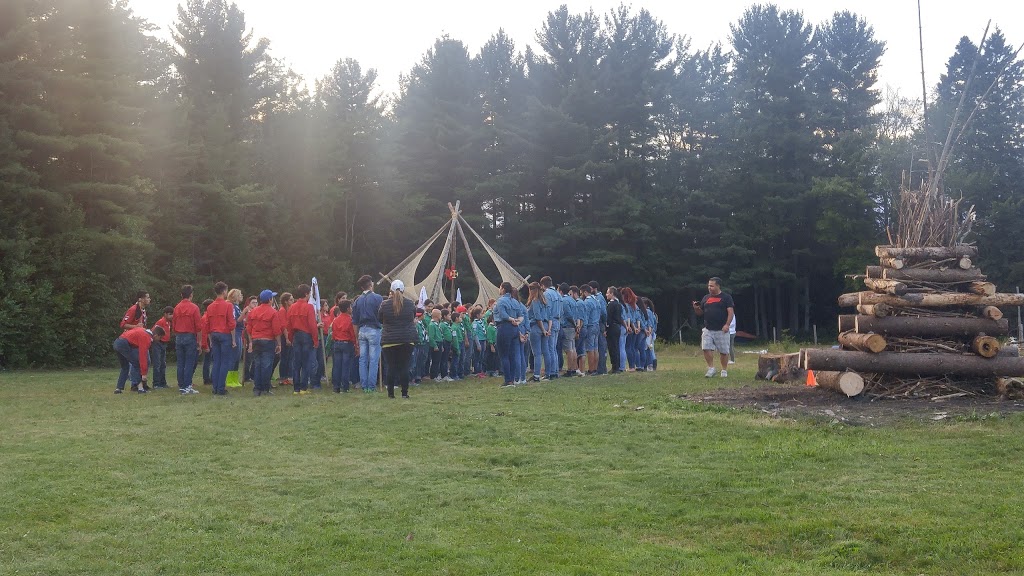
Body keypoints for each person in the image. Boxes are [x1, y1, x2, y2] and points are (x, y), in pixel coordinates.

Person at [378, 280, 417, 399]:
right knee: (404, 367)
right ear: (403, 290)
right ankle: (404, 393)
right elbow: (413, 316)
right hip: (406, 339)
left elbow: (380, 319)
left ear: (391, 291)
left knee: (391, 367)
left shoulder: (384, 304)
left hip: (389, 339)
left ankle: (390, 394)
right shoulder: (410, 304)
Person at [693, 277, 735, 377]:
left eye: (712, 286)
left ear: (718, 286)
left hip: (721, 329)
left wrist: (727, 325)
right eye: (708, 285)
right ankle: (711, 368)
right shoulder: (706, 298)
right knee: (705, 348)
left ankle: (724, 370)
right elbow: (700, 313)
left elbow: (731, 312)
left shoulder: (726, 297)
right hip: (708, 328)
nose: (709, 287)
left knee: (724, 351)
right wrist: (696, 308)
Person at [246, 290, 283, 396]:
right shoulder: (273, 312)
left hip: (256, 340)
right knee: (266, 365)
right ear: (270, 300)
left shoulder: (253, 311)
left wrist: (251, 342)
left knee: (258, 364)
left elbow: (248, 328)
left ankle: (257, 388)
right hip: (268, 340)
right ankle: (265, 389)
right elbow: (276, 330)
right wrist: (279, 344)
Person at [203, 282, 237, 395]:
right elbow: (231, 323)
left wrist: (210, 339)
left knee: (216, 361)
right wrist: (233, 339)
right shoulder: (228, 305)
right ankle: (221, 388)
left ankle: (215, 387)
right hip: (225, 334)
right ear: (223, 291)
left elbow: (207, 324)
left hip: (214, 334)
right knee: (225, 362)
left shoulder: (210, 306)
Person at [352, 275, 384, 392]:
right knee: (374, 359)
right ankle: (371, 386)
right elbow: (382, 316)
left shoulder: (357, 301)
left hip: (361, 330)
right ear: (371, 284)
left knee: (363, 359)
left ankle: (364, 385)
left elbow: (354, 322)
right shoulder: (378, 298)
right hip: (374, 329)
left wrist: (356, 337)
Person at [288, 284, 318, 394]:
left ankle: (296, 388)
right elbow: (312, 325)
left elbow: (289, 324)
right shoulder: (309, 307)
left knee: (296, 363)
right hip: (306, 335)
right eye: (309, 293)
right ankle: (303, 387)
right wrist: (315, 339)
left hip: (296, 335)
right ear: (306, 294)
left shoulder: (292, 307)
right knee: (306, 362)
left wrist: (290, 338)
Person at [494, 282, 525, 387]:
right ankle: (512, 378)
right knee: (512, 355)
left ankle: (508, 380)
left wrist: (511, 319)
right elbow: (521, 315)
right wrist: (517, 322)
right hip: (515, 329)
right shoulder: (515, 302)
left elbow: (503, 315)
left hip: (504, 327)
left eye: (500, 287)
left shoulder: (501, 301)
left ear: (503, 289)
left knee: (504, 355)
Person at [113, 326, 160, 394]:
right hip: (124, 344)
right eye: (160, 338)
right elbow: (143, 355)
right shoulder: (146, 337)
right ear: (156, 335)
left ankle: (118, 388)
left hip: (117, 342)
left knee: (125, 367)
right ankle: (140, 389)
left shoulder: (142, 330)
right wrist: (143, 374)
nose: (159, 340)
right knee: (137, 364)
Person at [173, 285, 202, 395]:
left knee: (180, 362)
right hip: (190, 336)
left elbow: (174, 324)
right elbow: (198, 327)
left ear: (181, 295)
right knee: (189, 362)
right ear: (191, 295)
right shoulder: (194, 307)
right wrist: (199, 342)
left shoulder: (176, 307)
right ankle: (187, 385)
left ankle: (181, 385)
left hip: (179, 336)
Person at [525, 282, 550, 382]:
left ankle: (536, 375)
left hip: (536, 327)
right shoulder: (544, 301)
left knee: (537, 354)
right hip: (545, 325)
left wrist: (543, 330)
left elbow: (537, 317)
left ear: (532, 290)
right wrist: (546, 329)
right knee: (546, 351)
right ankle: (548, 373)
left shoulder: (535, 301)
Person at [330, 300, 356, 392]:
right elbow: (352, 334)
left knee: (337, 365)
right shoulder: (350, 319)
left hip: (337, 343)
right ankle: (345, 387)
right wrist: (355, 344)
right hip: (346, 343)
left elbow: (333, 332)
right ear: (348, 308)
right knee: (346, 366)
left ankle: (336, 386)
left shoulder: (335, 320)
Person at [150, 306, 173, 389]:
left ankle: (163, 382)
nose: (172, 316)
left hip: (164, 344)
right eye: (170, 314)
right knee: (157, 364)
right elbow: (154, 332)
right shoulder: (160, 322)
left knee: (163, 364)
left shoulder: (169, 322)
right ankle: (156, 383)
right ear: (165, 314)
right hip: (158, 343)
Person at [589, 281, 608, 375]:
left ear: (594, 288)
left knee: (601, 347)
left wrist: (604, 324)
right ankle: (599, 368)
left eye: (590, 288)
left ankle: (601, 369)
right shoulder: (596, 298)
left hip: (599, 323)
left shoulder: (599, 298)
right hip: (598, 323)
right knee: (598, 347)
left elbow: (604, 313)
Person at [275, 293, 293, 388]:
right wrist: (287, 338)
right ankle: (283, 377)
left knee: (290, 357)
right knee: (285, 357)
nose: (292, 301)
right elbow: (283, 326)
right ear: (285, 301)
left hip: (289, 335)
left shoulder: (289, 310)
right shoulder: (282, 310)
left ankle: (288, 377)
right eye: (290, 300)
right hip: (285, 336)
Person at [606, 287, 625, 373]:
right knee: (616, 347)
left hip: (612, 327)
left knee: (612, 347)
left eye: (608, 293)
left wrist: (606, 328)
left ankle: (614, 367)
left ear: (612, 294)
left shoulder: (611, 304)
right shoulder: (619, 304)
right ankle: (617, 366)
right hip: (618, 327)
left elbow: (608, 318)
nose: (606, 294)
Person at [200, 298, 214, 386]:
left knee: (208, 360)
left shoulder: (206, 317)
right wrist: (205, 345)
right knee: (207, 360)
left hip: (209, 340)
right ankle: (206, 379)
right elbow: (204, 332)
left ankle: (208, 378)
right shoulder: (206, 318)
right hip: (208, 341)